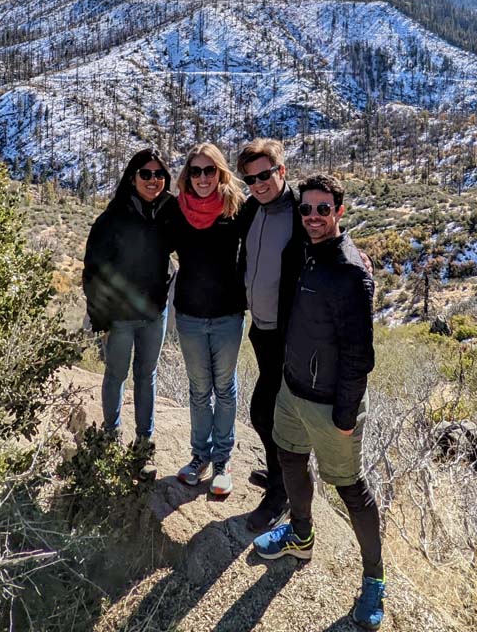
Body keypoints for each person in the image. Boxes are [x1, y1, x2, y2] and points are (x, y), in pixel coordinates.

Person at [254, 174, 385, 631]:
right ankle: (301, 535)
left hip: (331, 402)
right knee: (290, 457)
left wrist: (346, 413)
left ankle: (374, 581)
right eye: (306, 209)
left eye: (322, 210)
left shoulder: (350, 271)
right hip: (293, 390)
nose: (312, 217)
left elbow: (359, 354)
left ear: (338, 213)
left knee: (350, 487)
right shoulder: (305, 253)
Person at [82, 148, 175, 473]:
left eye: (159, 174)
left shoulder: (168, 212)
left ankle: (142, 448)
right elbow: (93, 269)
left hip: (154, 314)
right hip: (119, 318)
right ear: (132, 177)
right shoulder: (113, 217)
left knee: (146, 376)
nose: (153, 180)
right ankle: (110, 439)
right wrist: (99, 318)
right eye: (146, 174)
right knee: (116, 375)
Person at [235, 138, 308, 534]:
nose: (259, 184)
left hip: (288, 333)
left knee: (269, 411)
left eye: (265, 175)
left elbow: (329, 246)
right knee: (269, 410)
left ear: (281, 171)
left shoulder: (300, 213)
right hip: (260, 329)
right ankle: (278, 477)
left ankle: (282, 493)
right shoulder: (252, 210)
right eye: (251, 179)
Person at [169, 143, 246, 496]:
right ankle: (199, 457)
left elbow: (269, 238)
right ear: (188, 174)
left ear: (220, 172)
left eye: (209, 170)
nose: (202, 178)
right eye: (196, 171)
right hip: (190, 314)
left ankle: (222, 462)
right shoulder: (177, 210)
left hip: (228, 314)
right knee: (199, 390)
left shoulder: (235, 207)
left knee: (224, 390)